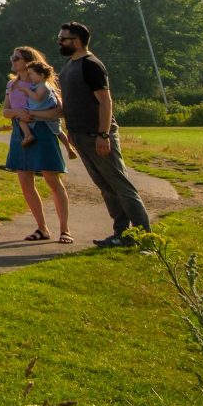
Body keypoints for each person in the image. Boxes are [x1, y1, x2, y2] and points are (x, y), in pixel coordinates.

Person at [57, 20, 152, 246]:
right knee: (106, 187)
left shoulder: (91, 64)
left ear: (77, 41)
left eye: (63, 39)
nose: (59, 42)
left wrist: (103, 134)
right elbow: (72, 101)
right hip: (80, 134)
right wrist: (70, 130)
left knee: (121, 185)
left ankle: (145, 238)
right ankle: (122, 234)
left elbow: (105, 101)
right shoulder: (69, 65)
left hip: (97, 135)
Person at [2, 46, 70, 242]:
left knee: (52, 180)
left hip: (42, 132)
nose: (13, 61)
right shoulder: (11, 85)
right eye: (12, 57)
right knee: (25, 182)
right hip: (20, 133)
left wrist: (32, 114)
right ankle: (42, 228)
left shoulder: (43, 84)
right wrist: (17, 113)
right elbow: (5, 112)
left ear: (28, 61)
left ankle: (65, 230)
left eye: (16, 58)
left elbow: (59, 112)